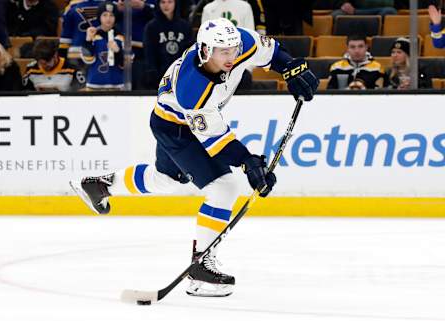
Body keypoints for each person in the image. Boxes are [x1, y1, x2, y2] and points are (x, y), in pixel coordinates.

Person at [70, 18, 318, 297]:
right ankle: (200, 269)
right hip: (176, 128)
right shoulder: (192, 88)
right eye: (223, 52)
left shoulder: (241, 42)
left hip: (172, 120)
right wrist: (249, 162)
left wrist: (290, 68)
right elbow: (217, 140)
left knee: (164, 179)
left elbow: (272, 53)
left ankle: (101, 185)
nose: (232, 57)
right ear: (204, 50)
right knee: (224, 187)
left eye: (234, 49)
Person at [143, 0, 192, 89]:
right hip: (158, 78)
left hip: (180, 77)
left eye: (170, 2)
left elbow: (189, 53)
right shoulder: (151, 27)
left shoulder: (185, 26)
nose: (166, 5)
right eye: (163, 2)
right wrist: (153, 74)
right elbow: (149, 53)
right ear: (158, 4)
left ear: (175, 3)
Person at [81, 1, 125, 90]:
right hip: (93, 85)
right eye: (104, 15)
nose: (108, 18)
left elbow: (126, 64)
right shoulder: (93, 35)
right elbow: (87, 60)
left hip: (117, 86)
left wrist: (118, 51)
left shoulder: (121, 37)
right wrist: (88, 40)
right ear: (99, 17)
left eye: (111, 15)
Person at [330, 0, 397, 18]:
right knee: (337, 15)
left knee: (390, 12)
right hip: (353, 12)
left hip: (378, 12)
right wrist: (343, 3)